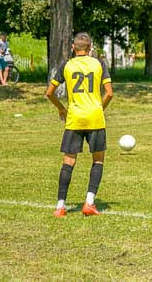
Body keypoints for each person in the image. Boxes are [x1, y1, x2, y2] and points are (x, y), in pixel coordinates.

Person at [45, 32, 114, 217]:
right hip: (95, 118)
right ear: (90, 48)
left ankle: (60, 206)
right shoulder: (99, 64)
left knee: (68, 161)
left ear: (73, 48)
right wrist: (100, 108)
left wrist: (61, 109)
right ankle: (89, 203)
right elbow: (109, 93)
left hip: (74, 118)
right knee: (98, 160)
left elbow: (49, 92)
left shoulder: (67, 65)